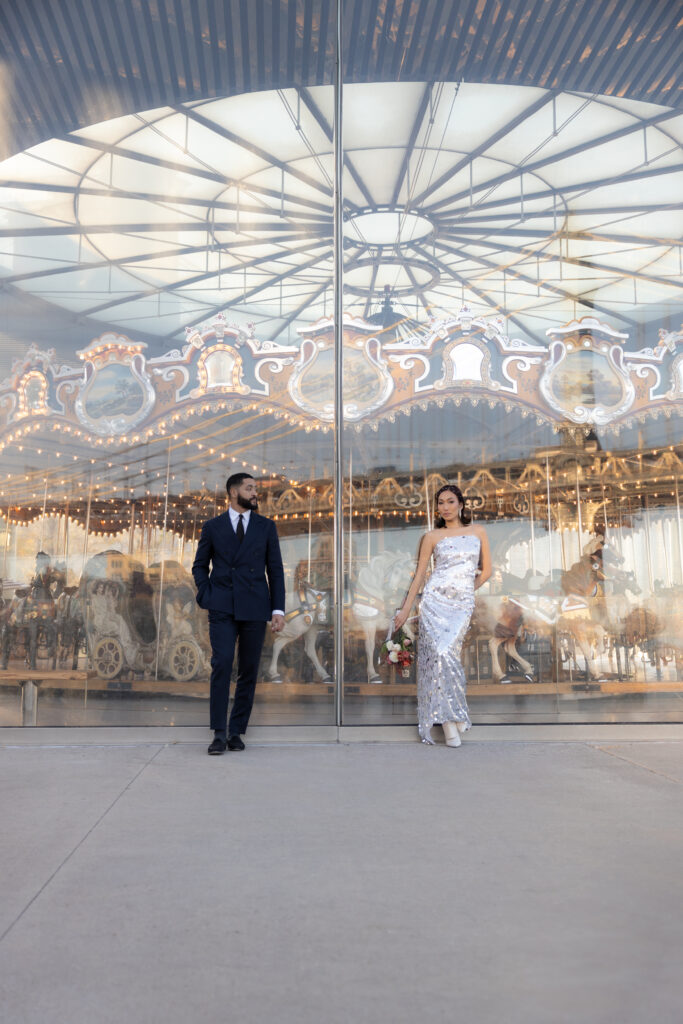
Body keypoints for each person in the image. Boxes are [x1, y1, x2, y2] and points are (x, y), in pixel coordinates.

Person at [193, 473, 286, 755]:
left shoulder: (266, 527)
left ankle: (236, 731)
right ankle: (218, 733)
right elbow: (199, 566)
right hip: (222, 605)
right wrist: (206, 594)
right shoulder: (213, 527)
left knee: (248, 670)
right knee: (221, 663)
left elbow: (276, 570)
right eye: (250, 488)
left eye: (255, 488)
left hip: (255, 607)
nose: (255, 492)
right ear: (234, 492)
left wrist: (277, 609)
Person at [393, 484, 491, 747]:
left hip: (461, 605)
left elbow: (487, 571)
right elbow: (421, 576)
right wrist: (405, 608)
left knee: (449, 654)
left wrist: (465, 593)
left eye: (450, 501)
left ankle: (454, 713)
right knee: (438, 656)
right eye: (440, 503)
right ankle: (449, 723)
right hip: (434, 603)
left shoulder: (478, 531)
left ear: (461, 503)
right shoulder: (432, 537)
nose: (445, 507)